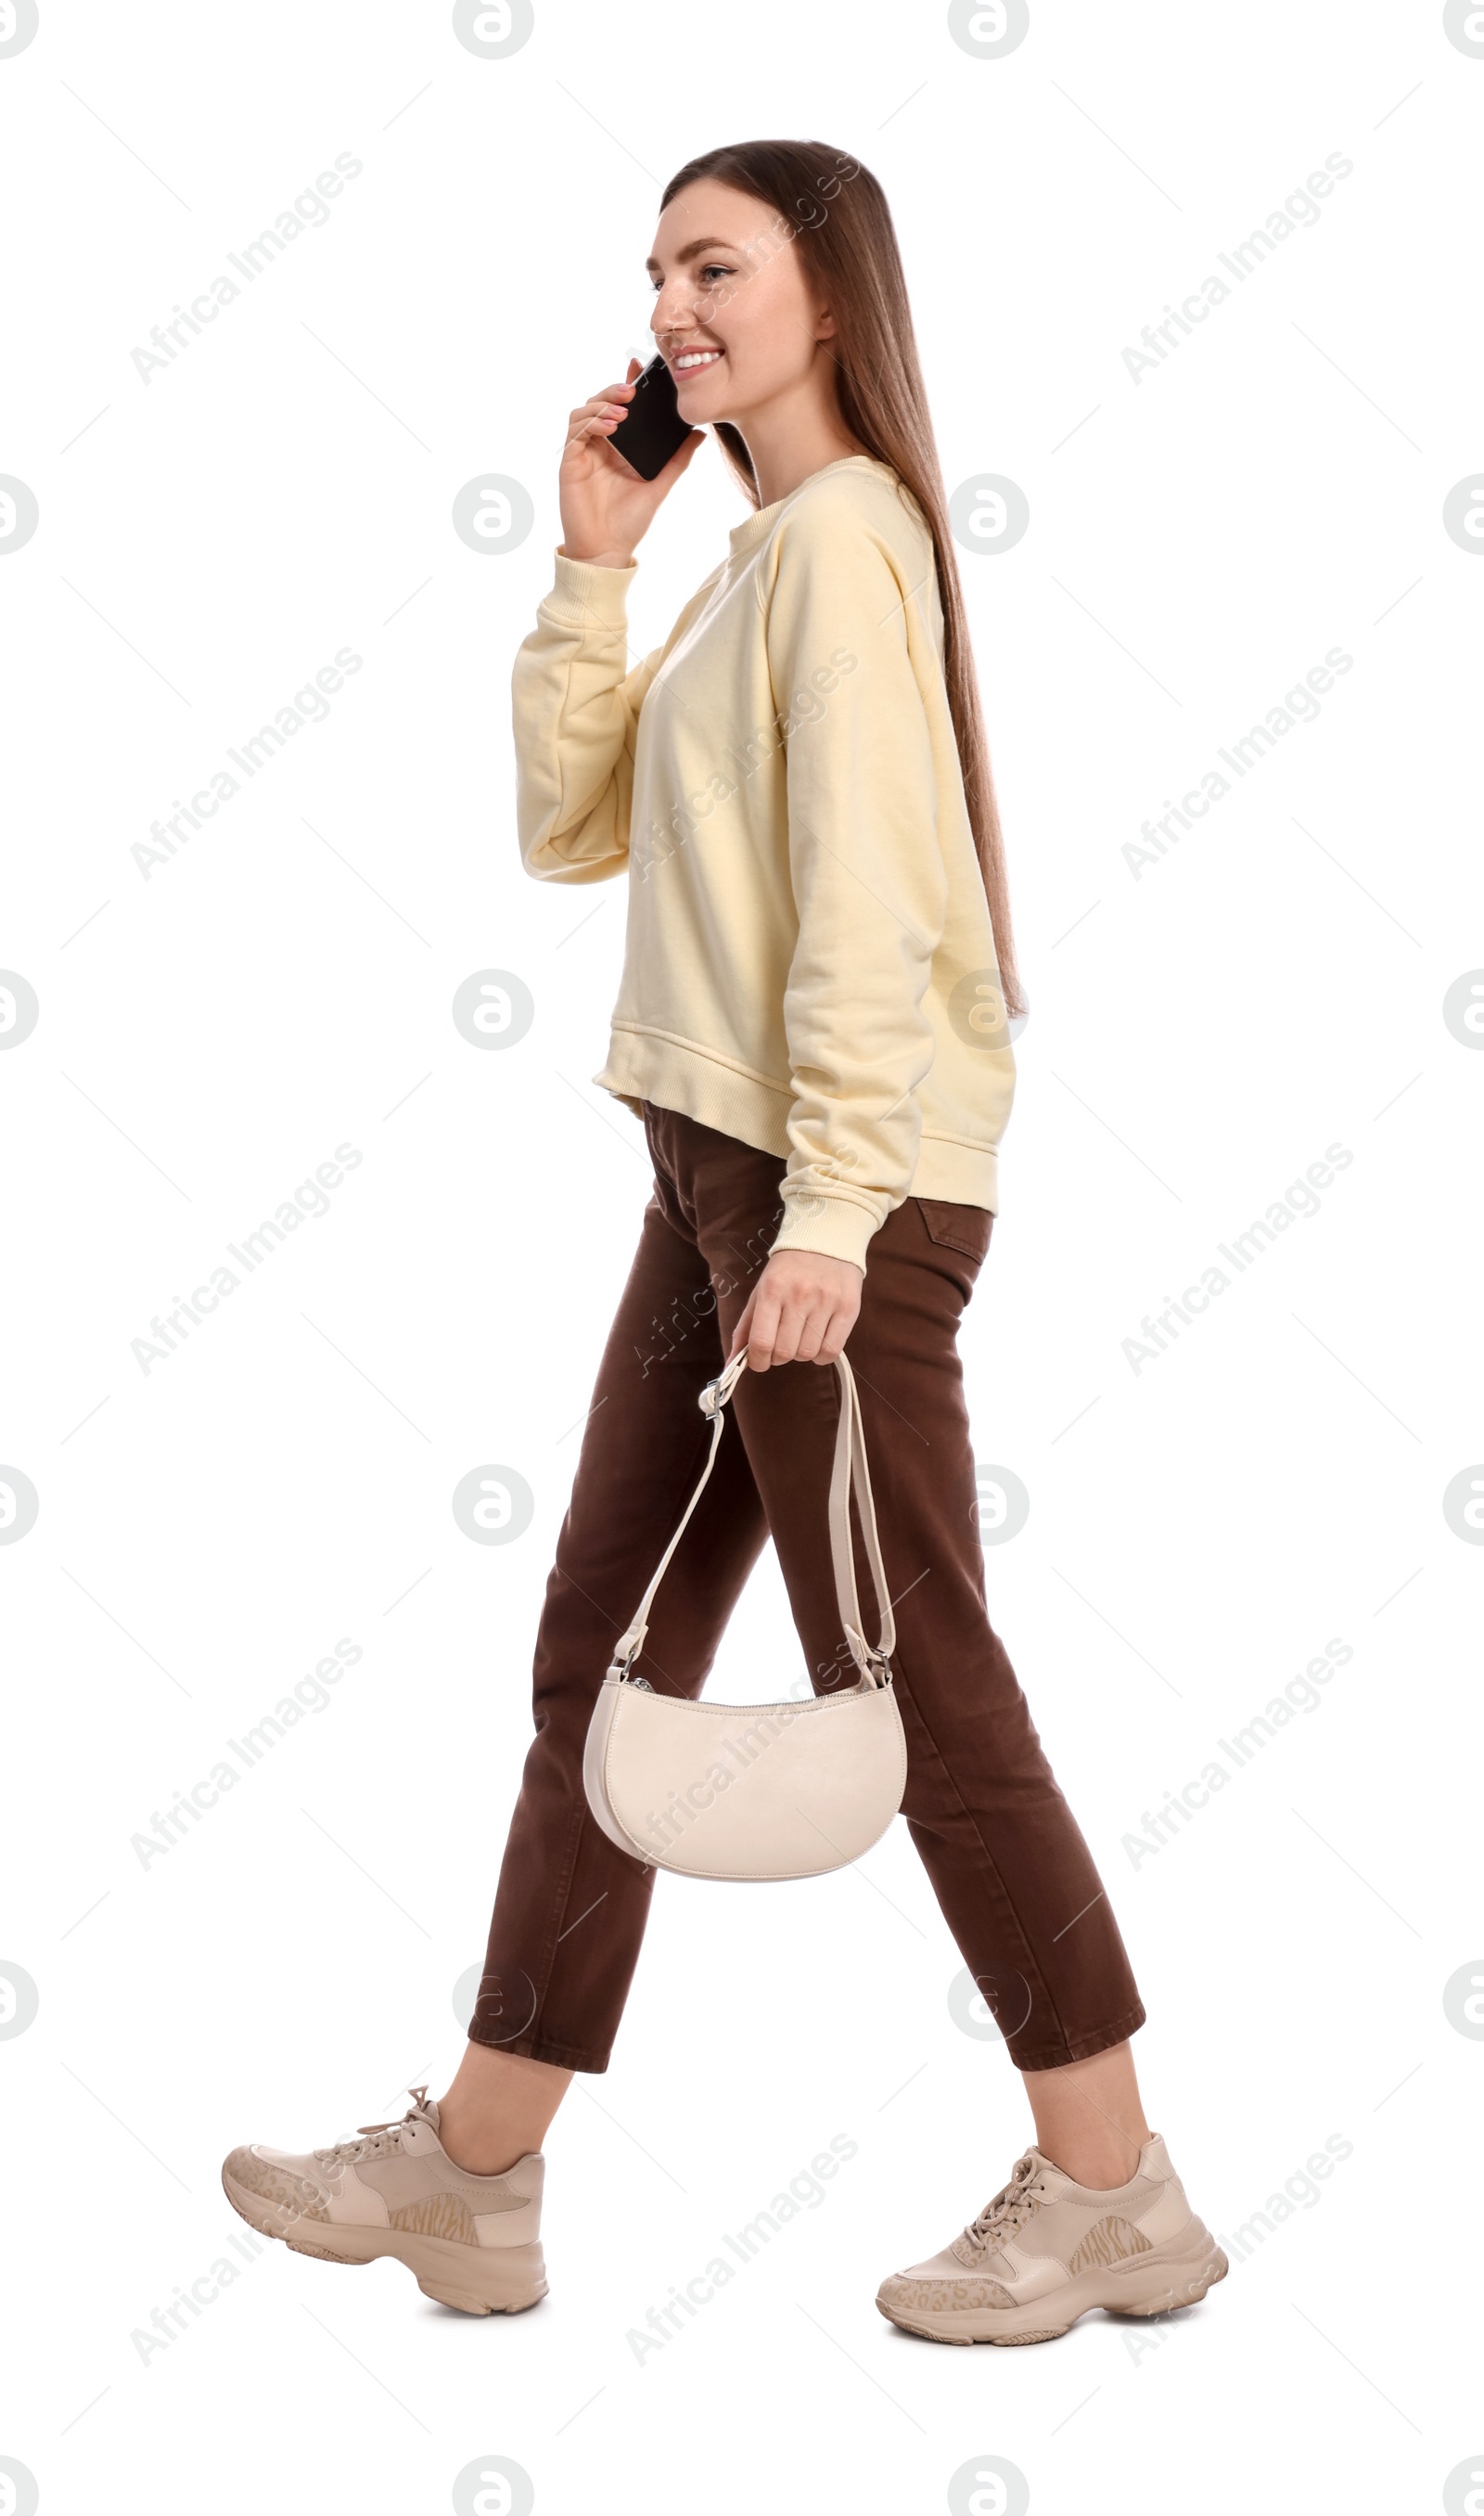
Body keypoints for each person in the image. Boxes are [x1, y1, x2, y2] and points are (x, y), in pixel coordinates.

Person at [223, 138, 1226, 2344]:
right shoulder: (757, 556)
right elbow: (568, 832)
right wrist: (591, 567)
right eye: (654, 273)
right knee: (603, 1669)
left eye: (712, 266)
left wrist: (842, 1217)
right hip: (717, 1175)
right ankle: (478, 2176)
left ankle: (1113, 2181)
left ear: (829, 300)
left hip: (818, 1197)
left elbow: (878, 910)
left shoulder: (845, 547)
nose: (668, 306)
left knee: (919, 1680)